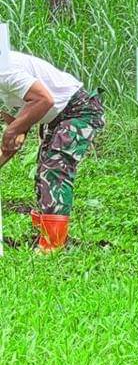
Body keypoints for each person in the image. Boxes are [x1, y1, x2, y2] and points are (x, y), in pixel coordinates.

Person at [0, 49, 105, 252]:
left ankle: (53, 247)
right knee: (43, 174)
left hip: (79, 110)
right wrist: (14, 132)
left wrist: (12, 131)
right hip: (55, 116)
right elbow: (14, 139)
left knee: (54, 171)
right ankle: (46, 237)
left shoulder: (5, 71)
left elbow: (44, 100)